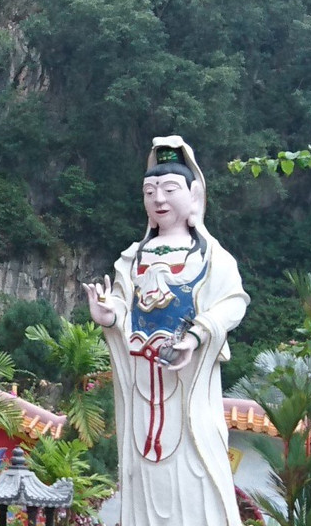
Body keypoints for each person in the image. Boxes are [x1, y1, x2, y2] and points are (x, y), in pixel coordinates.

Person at [84, 136, 249, 526]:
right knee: (143, 467)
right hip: (143, 383)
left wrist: (195, 336)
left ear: (194, 197)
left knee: (195, 468)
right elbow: (123, 308)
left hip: (187, 386)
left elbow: (234, 302)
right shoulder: (132, 257)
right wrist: (108, 315)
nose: (159, 199)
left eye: (169, 189)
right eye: (150, 191)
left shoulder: (210, 256)